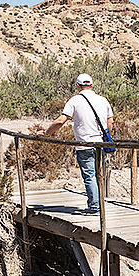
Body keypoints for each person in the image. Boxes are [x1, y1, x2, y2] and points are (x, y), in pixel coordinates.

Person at [41, 73, 114, 215]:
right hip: (100, 144)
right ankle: (99, 204)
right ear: (92, 85)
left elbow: (61, 121)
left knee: (90, 176)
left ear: (78, 86)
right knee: (99, 174)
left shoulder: (74, 100)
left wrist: (46, 132)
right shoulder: (103, 100)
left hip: (84, 144)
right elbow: (109, 122)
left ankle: (94, 207)